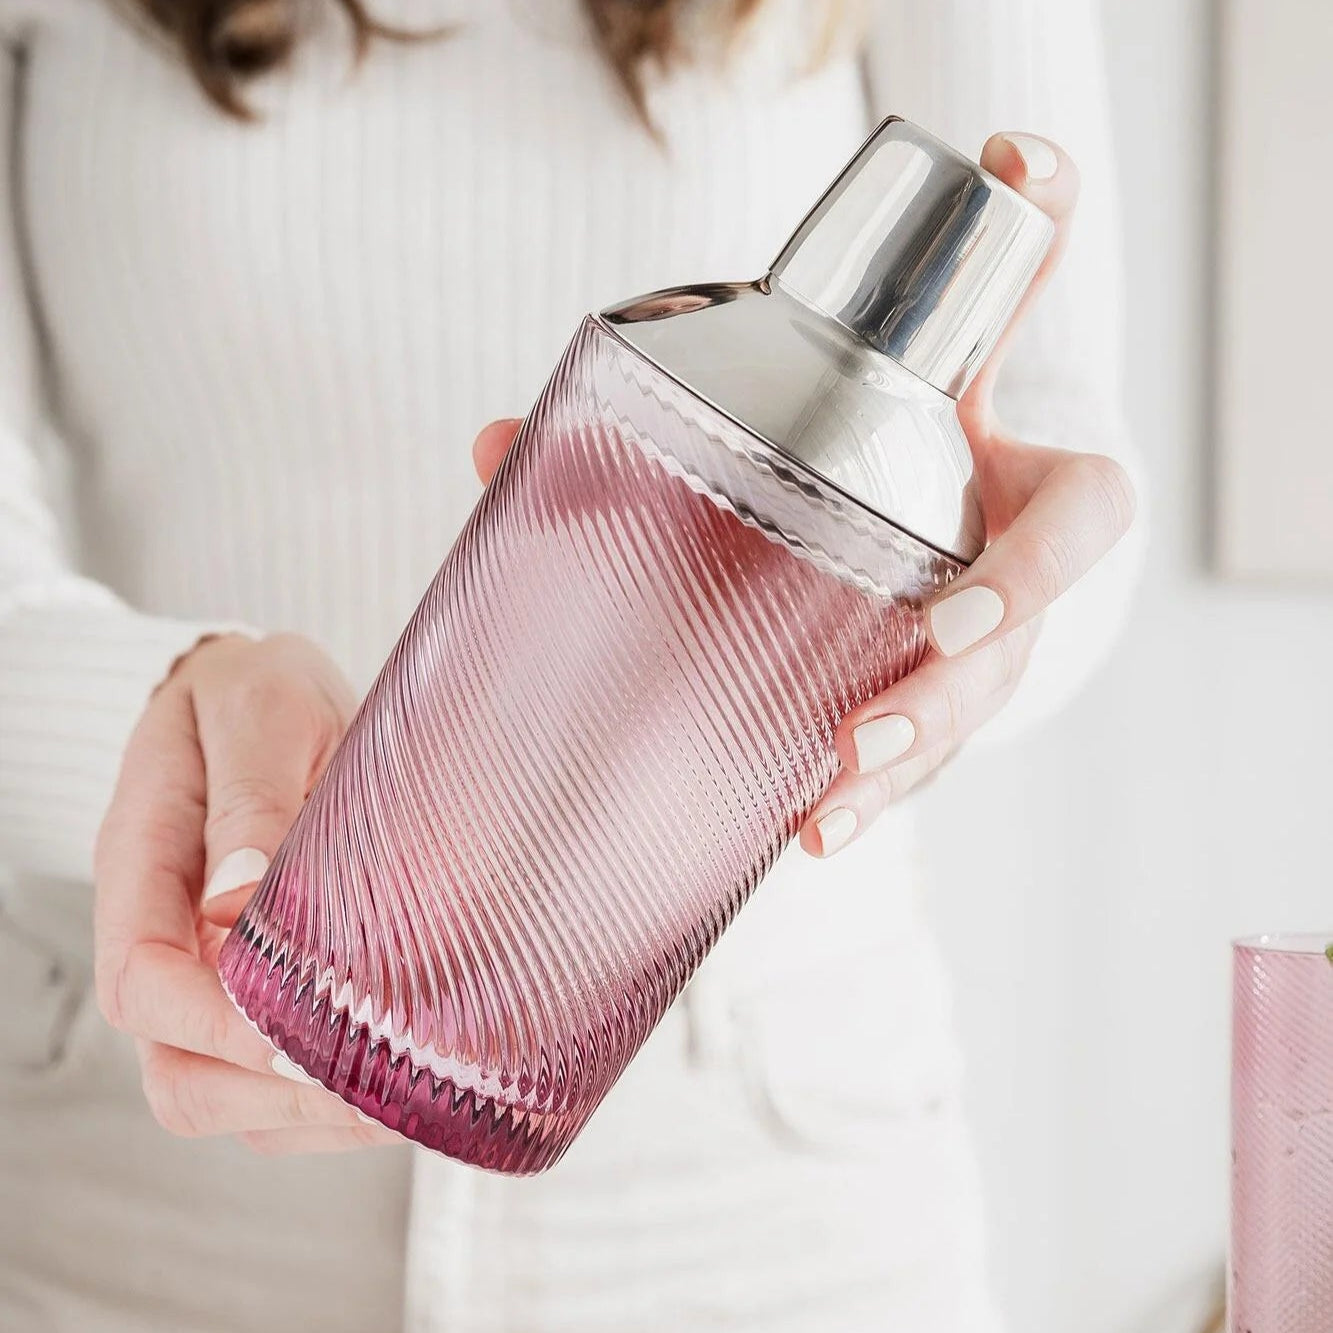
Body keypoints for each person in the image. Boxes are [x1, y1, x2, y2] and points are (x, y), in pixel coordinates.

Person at [0, 1, 1139, 1329]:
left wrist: (966, 639)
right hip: (135, 1176)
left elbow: (1064, 476)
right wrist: (159, 718)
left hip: (775, 1186)